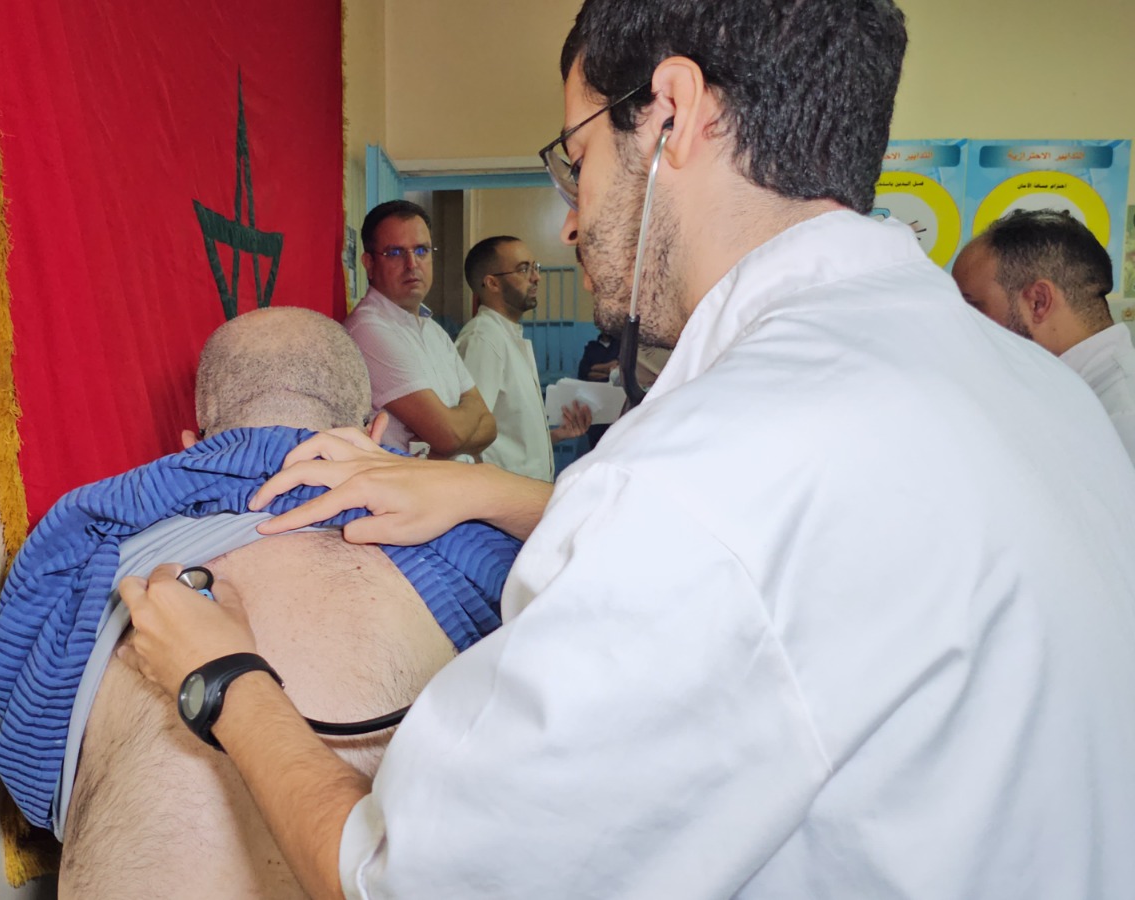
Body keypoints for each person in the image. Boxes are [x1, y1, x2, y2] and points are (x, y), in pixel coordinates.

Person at [114, 1, 1135, 897]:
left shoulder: (703, 473)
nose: (571, 221)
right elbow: (820, 562)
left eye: (578, 158)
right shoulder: (1037, 388)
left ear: (672, 111)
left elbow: (408, 878)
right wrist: (490, 492)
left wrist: (225, 678)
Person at [0, 308, 519, 899]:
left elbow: (34, 775)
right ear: (377, 432)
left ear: (192, 443)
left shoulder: (83, 550)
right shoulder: (481, 547)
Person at [952, 208, 1135, 462]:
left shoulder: (1123, 419)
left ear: (1038, 302)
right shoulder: (1057, 384)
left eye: (973, 306)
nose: (962, 324)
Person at [345, 200, 496, 459]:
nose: (412, 264)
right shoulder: (368, 330)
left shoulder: (433, 331)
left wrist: (449, 436)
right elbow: (448, 436)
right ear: (369, 263)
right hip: (405, 485)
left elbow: (490, 427)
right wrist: (457, 429)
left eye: (422, 250)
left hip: (449, 481)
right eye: (395, 252)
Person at [455, 235, 591, 480]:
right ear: (492, 283)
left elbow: (507, 438)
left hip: (522, 491)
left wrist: (556, 435)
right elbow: (468, 437)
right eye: (523, 269)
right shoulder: (483, 339)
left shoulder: (507, 335)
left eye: (534, 267)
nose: (536, 277)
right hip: (502, 496)